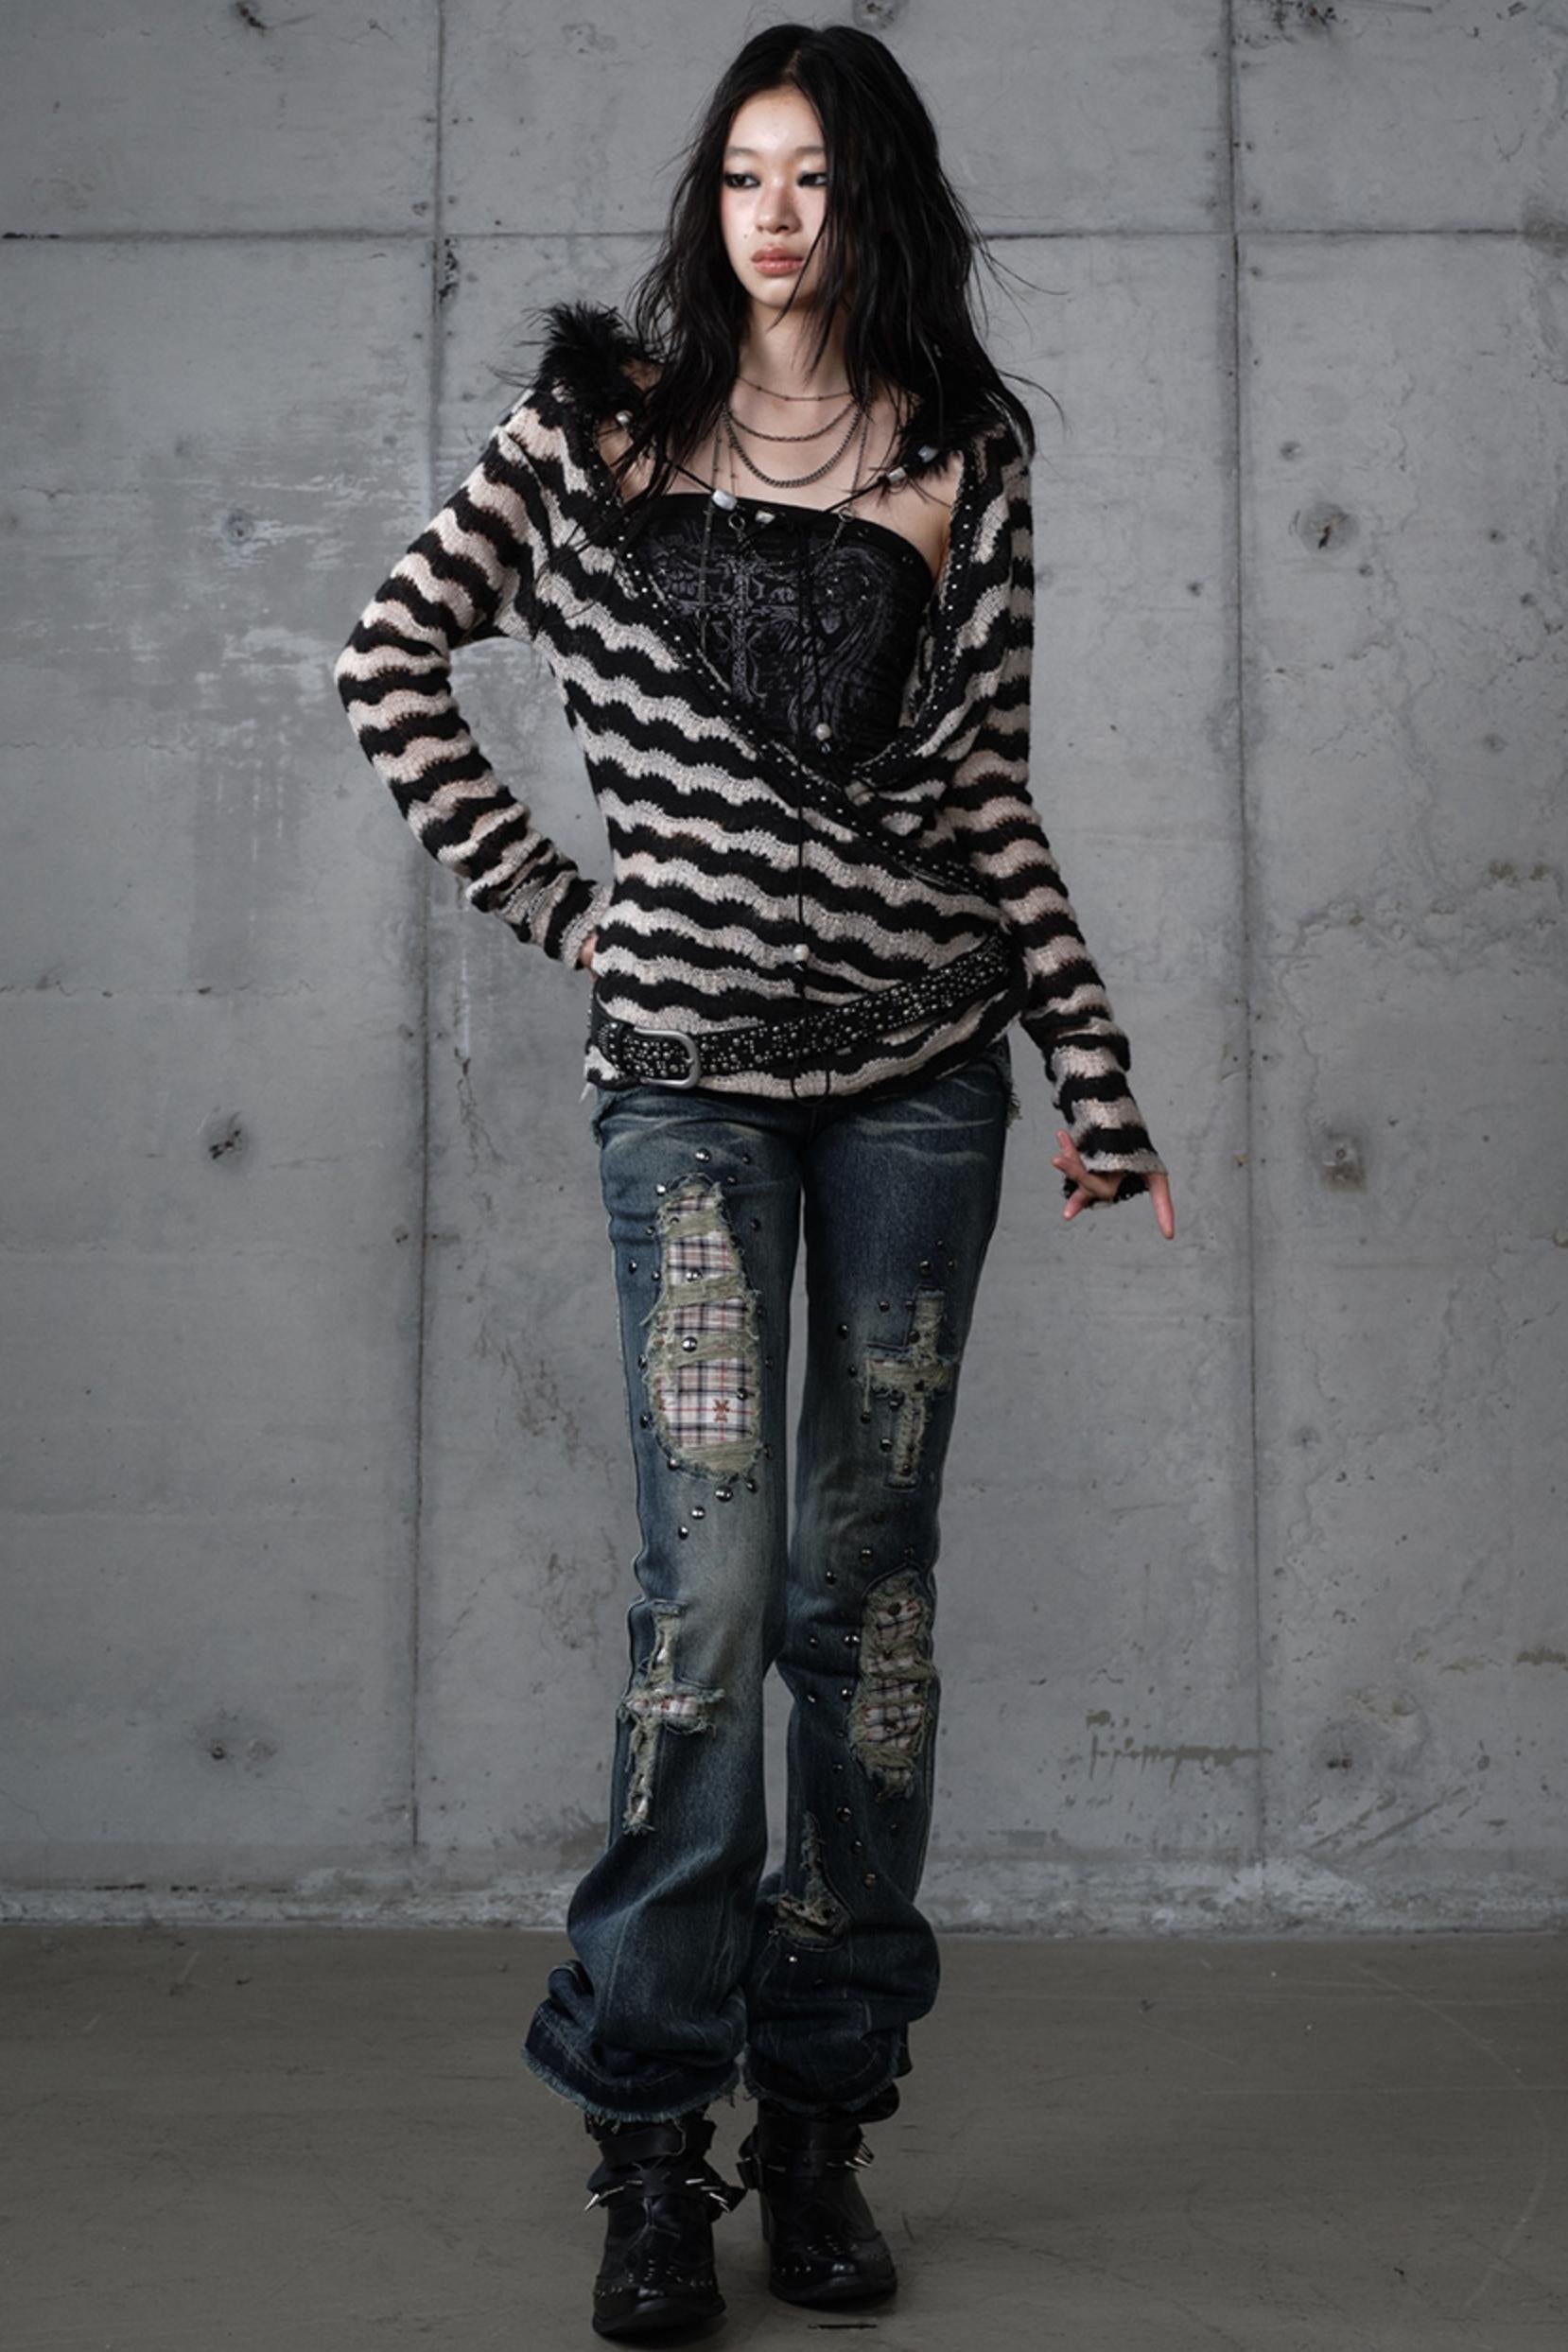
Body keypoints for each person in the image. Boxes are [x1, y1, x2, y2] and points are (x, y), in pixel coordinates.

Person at [333, 21, 1174, 2339]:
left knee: (860, 1600)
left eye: (811, 176)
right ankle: (646, 2133)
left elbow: (988, 787)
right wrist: (567, 909)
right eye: (740, 173)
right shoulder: (594, 433)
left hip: (922, 1085)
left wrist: (1095, 1066)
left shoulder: (961, 448)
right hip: (685, 1092)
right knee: (706, 1605)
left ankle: (819, 2114)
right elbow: (391, 660)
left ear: (870, 196)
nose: (773, 215)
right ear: (708, 202)